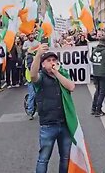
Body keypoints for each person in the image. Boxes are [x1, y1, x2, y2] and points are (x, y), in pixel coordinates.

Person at [30, 44, 75, 173]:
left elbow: (71, 87)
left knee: (65, 158)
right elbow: (33, 76)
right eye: (48, 61)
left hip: (65, 123)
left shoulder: (63, 73)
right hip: (48, 125)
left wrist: (57, 73)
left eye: (54, 60)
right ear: (43, 64)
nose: (52, 63)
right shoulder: (41, 77)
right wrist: (38, 55)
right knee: (43, 158)